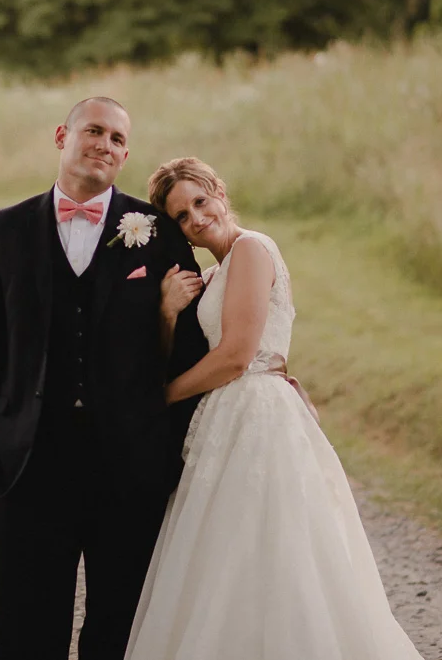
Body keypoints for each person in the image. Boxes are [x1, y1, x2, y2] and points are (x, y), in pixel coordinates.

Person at [125, 157, 426, 660]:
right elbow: (196, 354)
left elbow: (237, 356)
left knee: (276, 547)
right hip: (225, 417)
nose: (196, 218)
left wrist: (161, 397)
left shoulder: (251, 249)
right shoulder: (214, 273)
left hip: (258, 414)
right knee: (224, 554)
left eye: (200, 201)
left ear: (220, 193)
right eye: (181, 215)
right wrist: (167, 313)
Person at [0, 97, 209, 660]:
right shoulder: (3, 230)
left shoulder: (159, 232)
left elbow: (188, 350)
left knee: (118, 626)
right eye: (94, 130)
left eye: (118, 139)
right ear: (62, 136)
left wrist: (162, 444)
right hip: (31, 461)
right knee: (28, 626)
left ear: (125, 155)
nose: (105, 144)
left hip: (128, 464)